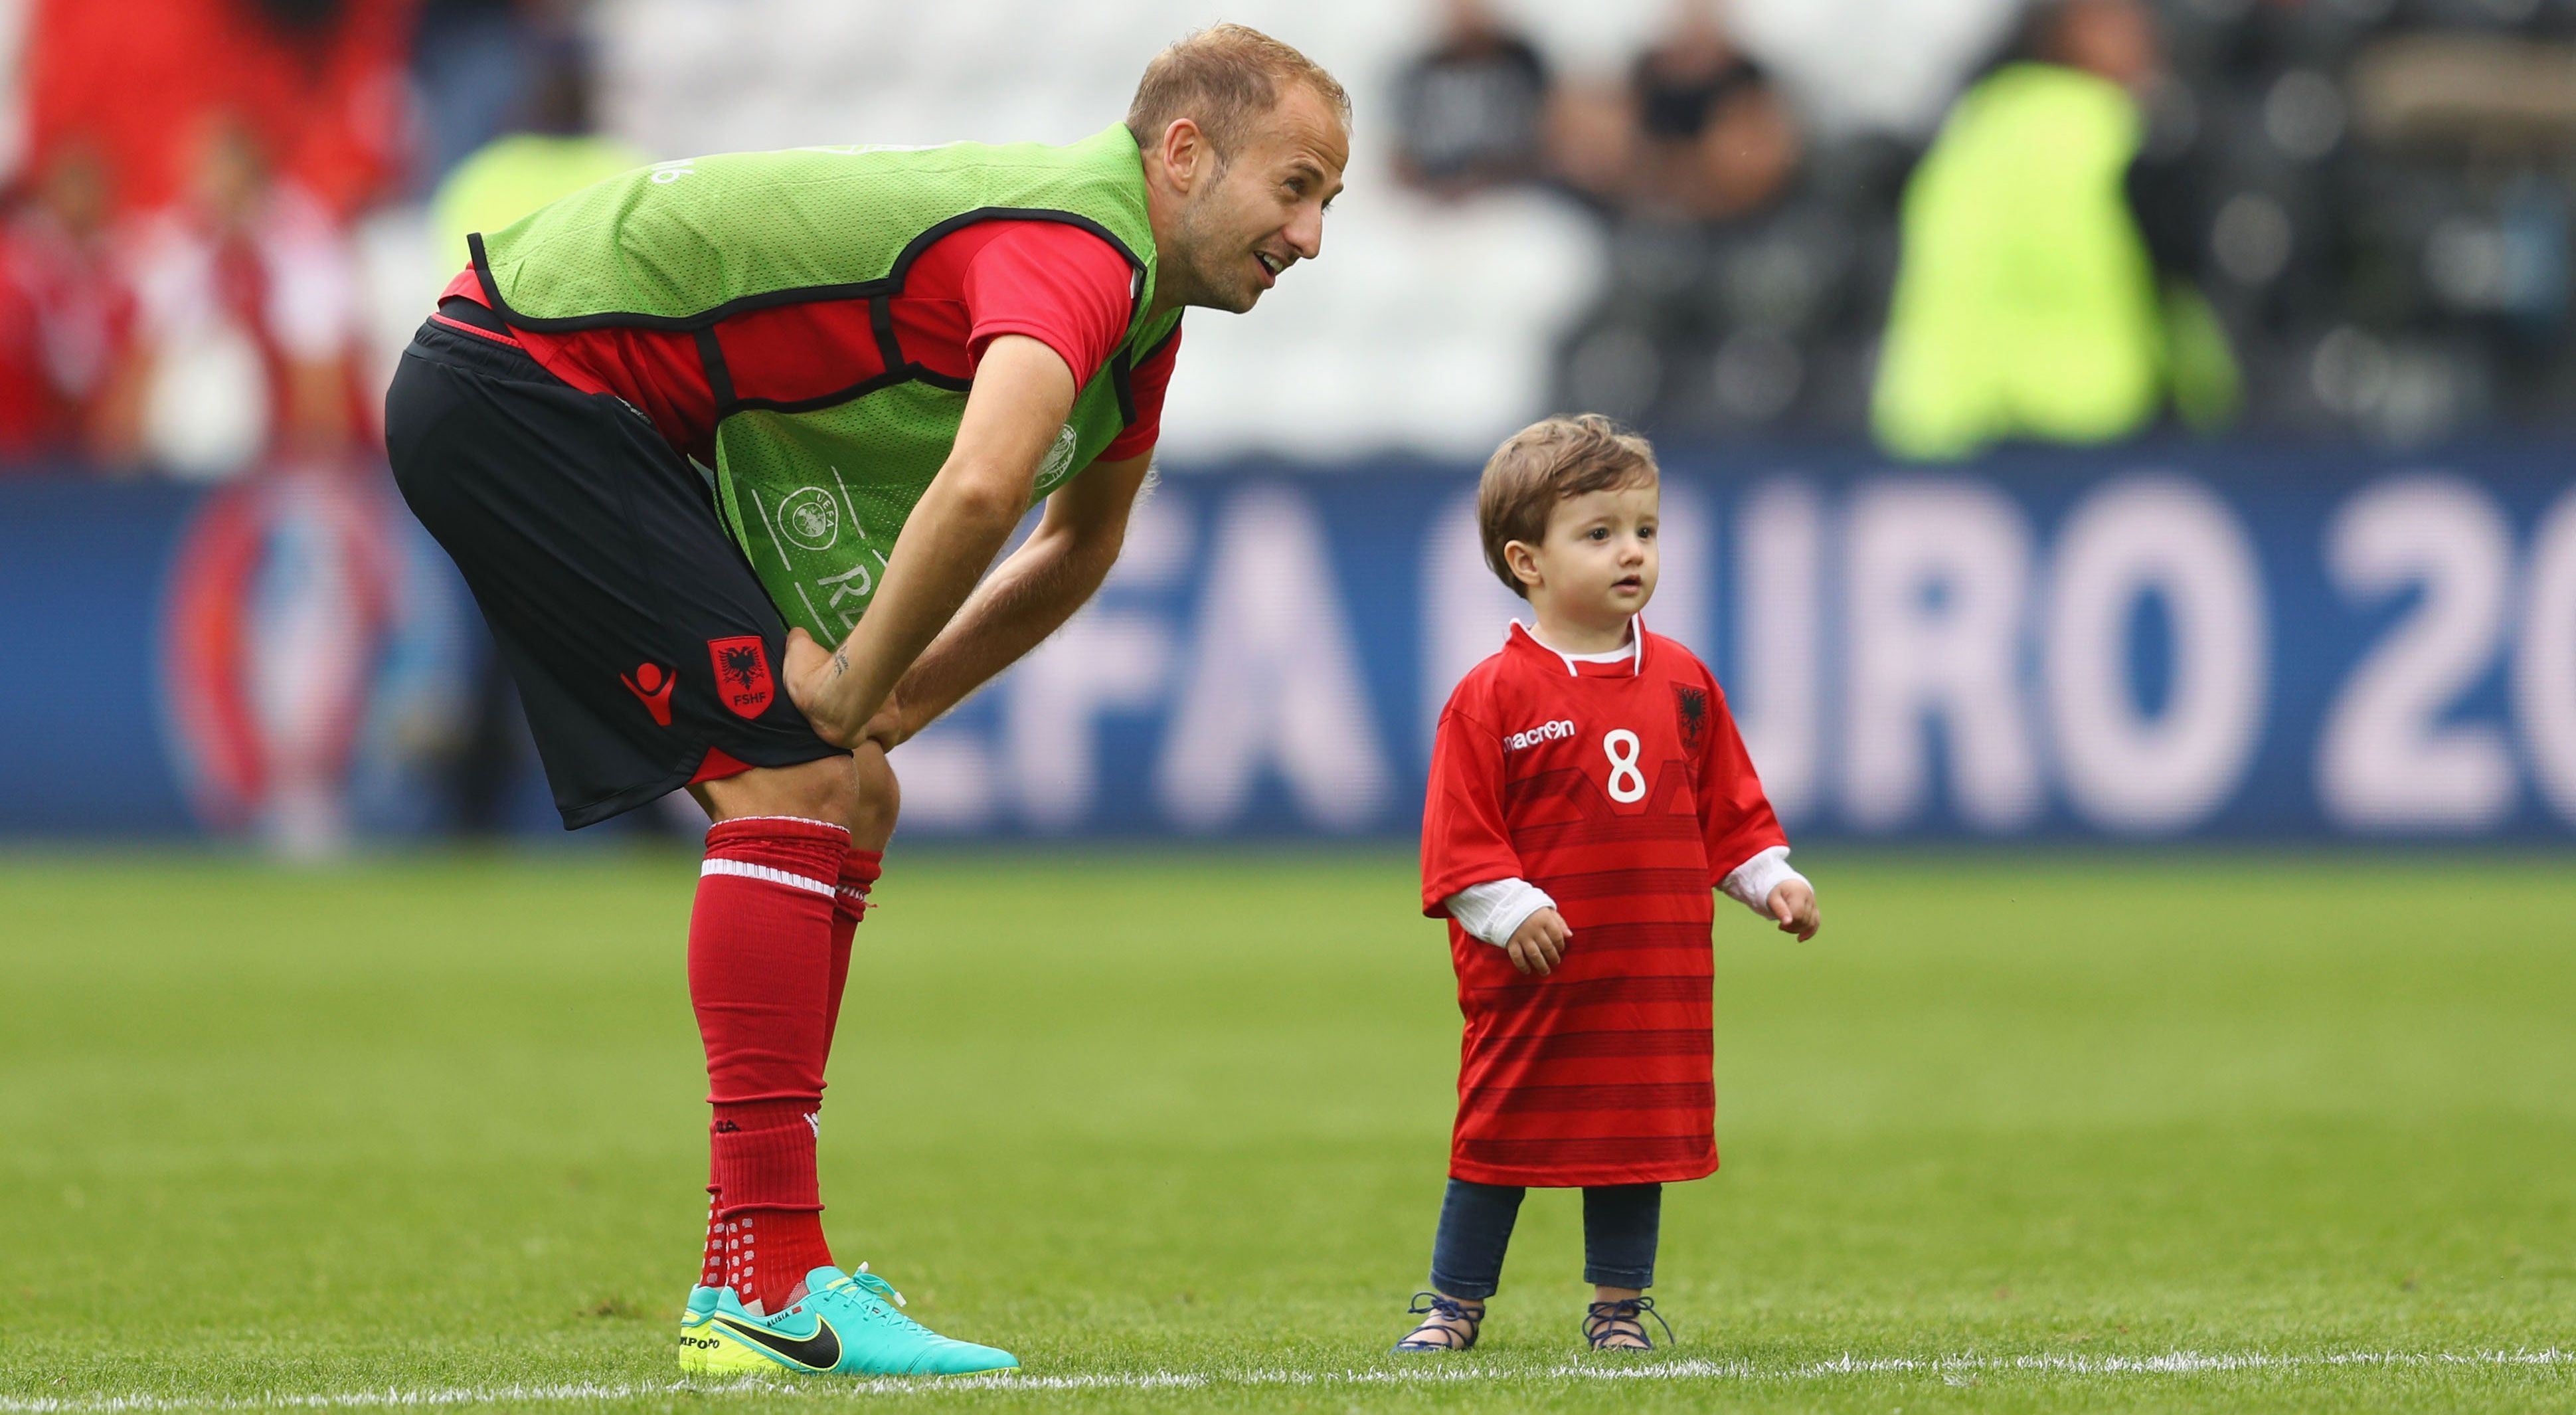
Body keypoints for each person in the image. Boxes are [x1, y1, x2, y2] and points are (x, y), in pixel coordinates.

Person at [380, 24, 1350, 1378]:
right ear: (1182, 156)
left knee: (852, 785)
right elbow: (978, 486)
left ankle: (753, 1272)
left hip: (587, 391)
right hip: (527, 377)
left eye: (1328, 203)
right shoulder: (1082, 251)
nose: (1311, 236)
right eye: (1295, 188)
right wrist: (846, 685)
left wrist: (888, 705)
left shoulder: (1141, 310)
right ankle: (771, 1285)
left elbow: (1079, 548)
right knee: (797, 783)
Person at [1395, 415, 1819, 1355]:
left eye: (1645, 530)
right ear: (1528, 560)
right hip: (1538, 978)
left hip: (1650, 970)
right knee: (1497, 1139)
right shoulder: (1493, 693)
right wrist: (1511, 907)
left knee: (1636, 1137)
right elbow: (1459, 840)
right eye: (1599, 534)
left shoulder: (1682, 680)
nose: (1631, 552)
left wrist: (1769, 876)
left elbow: (1727, 807)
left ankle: (1618, 1310)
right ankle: (1452, 1305)